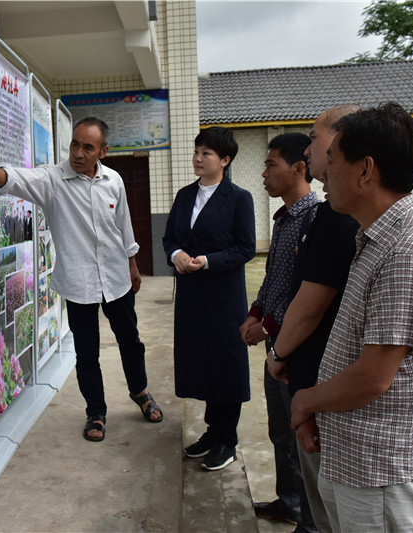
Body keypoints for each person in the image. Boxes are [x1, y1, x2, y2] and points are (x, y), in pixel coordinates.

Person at [291, 102, 413, 532]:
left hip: (384, 462)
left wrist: (306, 400)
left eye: (333, 159)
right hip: (359, 449)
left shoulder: (407, 252)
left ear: (365, 170)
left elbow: (373, 377)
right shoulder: (378, 236)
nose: (322, 170)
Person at [0, 117, 162, 442]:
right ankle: (96, 412)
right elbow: (16, 178)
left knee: (131, 342)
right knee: (87, 353)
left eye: (87, 147)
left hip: (118, 280)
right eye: (74, 144)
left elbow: (124, 228)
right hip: (78, 285)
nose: (78, 153)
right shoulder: (53, 179)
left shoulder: (114, 182)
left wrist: (133, 264)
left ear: (102, 152)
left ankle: (141, 392)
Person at [265, 105, 360, 533]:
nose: (310, 144)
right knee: (301, 462)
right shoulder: (321, 216)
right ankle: (298, 513)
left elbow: (308, 304)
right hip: (303, 370)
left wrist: (277, 350)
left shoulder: (335, 220)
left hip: (316, 376)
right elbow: (276, 281)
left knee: (326, 495)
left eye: (315, 136)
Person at [162, 127, 255, 471]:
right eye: (197, 151)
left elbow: (246, 248)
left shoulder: (239, 198)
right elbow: (170, 237)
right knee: (200, 361)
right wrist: (178, 255)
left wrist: (209, 260)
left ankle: (227, 440)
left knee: (226, 364)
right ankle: (212, 433)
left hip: (223, 296)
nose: (198, 158)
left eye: (207, 153)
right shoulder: (185, 195)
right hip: (190, 294)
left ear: (225, 160)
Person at [239, 133, 318, 531]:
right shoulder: (286, 219)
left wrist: (268, 324)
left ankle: (308, 520)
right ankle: (289, 502)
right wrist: (256, 313)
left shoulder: (316, 219)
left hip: (300, 351)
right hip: (276, 345)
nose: (264, 173)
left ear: (298, 168)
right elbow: (274, 280)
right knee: (279, 432)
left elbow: (307, 293)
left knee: (302, 438)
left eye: (271, 165)